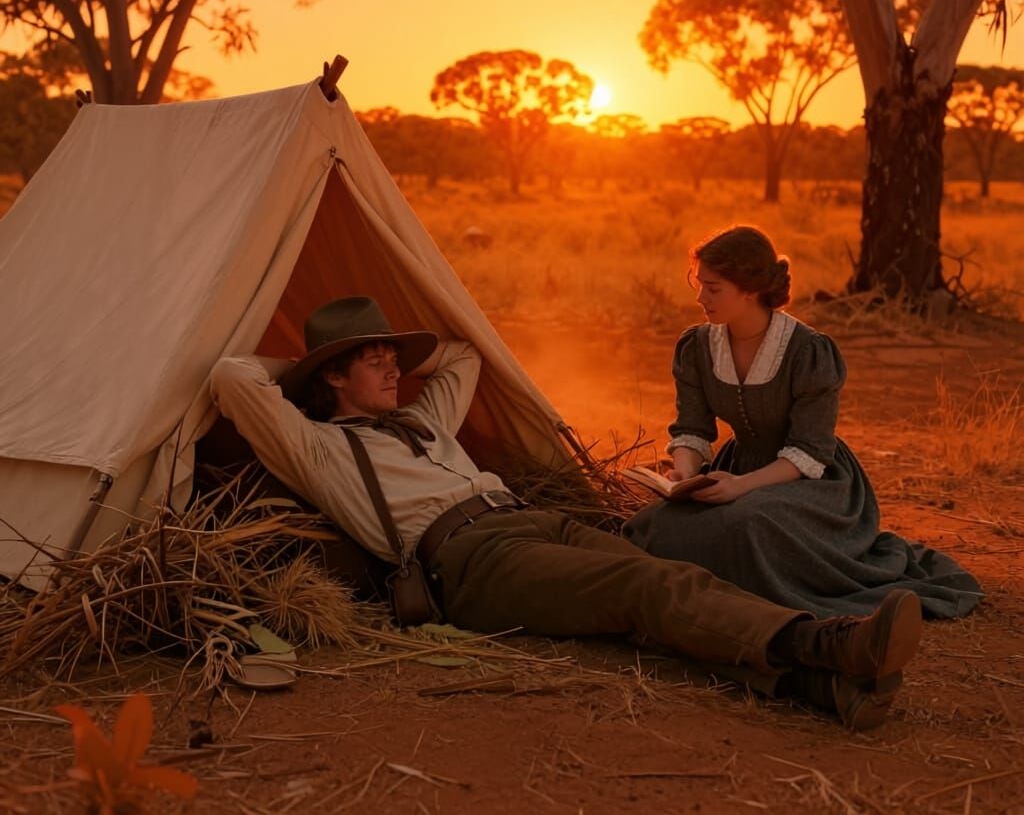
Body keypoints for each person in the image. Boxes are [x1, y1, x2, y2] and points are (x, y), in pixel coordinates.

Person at [211, 295, 927, 731]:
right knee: (645, 588)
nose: (396, 369)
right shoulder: (318, 448)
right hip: (471, 561)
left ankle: (819, 688)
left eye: (393, 357)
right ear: (334, 376)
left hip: (526, 521)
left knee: (667, 579)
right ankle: (830, 644)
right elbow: (231, 376)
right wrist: (308, 370)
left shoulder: (421, 419)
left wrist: (383, 365)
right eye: (375, 361)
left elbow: (462, 356)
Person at [623, 225, 983, 620]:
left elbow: (810, 451)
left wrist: (741, 486)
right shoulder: (697, 347)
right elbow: (692, 427)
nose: (700, 298)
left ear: (749, 290)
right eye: (699, 284)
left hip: (812, 480)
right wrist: (685, 475)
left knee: (747, 522)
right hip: (734, 470)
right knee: (653, 524)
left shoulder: (808, 351)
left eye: (713, 288)